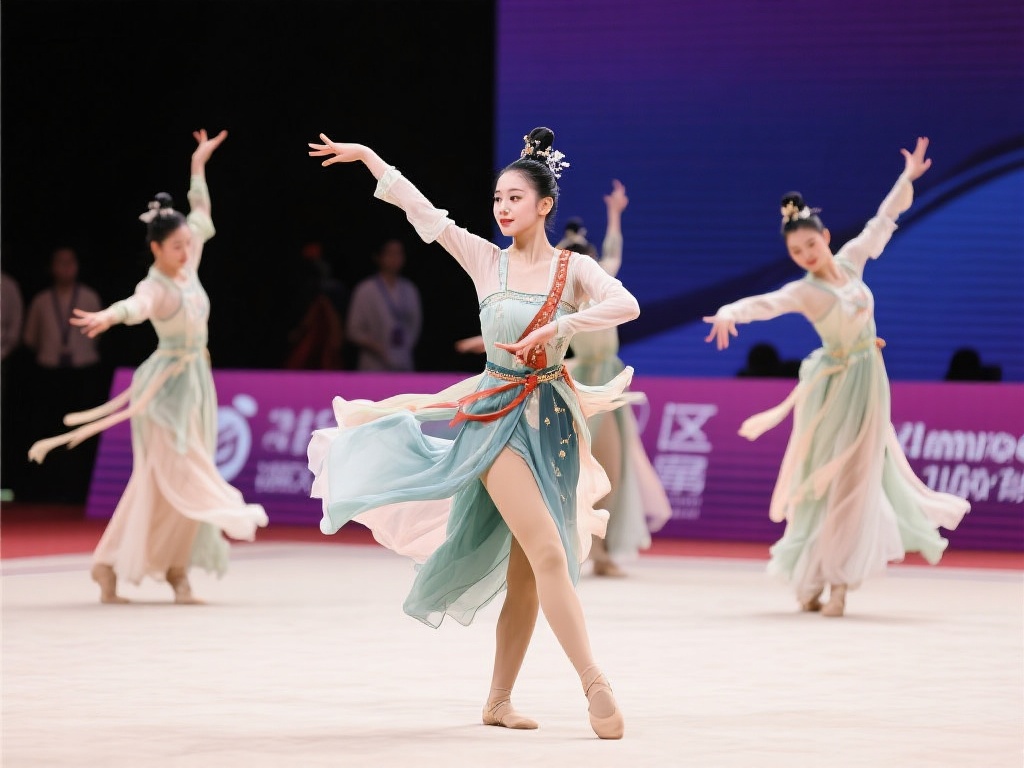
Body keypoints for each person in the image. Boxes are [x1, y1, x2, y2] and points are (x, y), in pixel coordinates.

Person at [306, 127, 640, 739]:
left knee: (527, 573)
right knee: (549, 552)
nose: (502, 208)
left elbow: (627, 306)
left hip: (554, 422)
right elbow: (425, 215)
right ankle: (595, 683)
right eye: (497, 198)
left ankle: (498, 700)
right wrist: (371, 158)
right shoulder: (487, 259)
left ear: (544, 205)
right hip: (494, 420)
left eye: (515, 198)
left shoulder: (574, 269)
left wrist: (559, 328)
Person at [703, 137, 970, 617]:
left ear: (825, 238)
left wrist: (906, 178)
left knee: (857, 480)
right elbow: (766, 303)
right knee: (822, 478)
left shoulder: (850, 261)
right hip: (834, 389)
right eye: (796, 250)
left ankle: (841, 583)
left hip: (869, 382)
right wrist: (729, 311)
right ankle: (811, 576)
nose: (806, 253)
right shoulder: (804, 291)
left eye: (810, 244)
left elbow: (881, 222)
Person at [27, 129, 268, 604]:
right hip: (163, 389)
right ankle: (167, 561)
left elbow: (201, 214)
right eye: (177, 246)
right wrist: (109, 315)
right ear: (156, 248)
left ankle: (154, 570)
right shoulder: (157, 285)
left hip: (196, 386)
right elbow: (135, 306)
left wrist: (197, 166)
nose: (186, 250)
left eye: (187, 244)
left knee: (166, 482)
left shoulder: (188, 266)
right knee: (177, 475)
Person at [553, 180, 671, 576]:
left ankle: (601, 551)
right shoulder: (563, 304)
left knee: (614, 470)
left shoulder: (604, 291)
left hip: (611, 379)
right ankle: (580, 549)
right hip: (584, 381)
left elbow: (614, 253)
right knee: (584, 469)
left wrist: (615, 214)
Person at [22, 246, 105, 501]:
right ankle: (46, 489)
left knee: (83, 429)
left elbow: (100, 336)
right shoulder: (41, 301)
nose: (66, 268)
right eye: (60, 262)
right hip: (49, 372)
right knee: (50, 427)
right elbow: (30, 338)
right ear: (51, 267)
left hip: (83, 371)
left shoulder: (89, 297)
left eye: (71, 262)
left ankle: (79, 489)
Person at [346, 237, 421, 371]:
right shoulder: (365, 289)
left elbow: (415, 325)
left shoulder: (409, 289)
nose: (395, 258)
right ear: (378, 257)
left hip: (403, 363)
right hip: (373, 365)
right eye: (390, 253)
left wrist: (403, 348)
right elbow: (353, 330)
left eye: (399, 253)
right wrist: (378, 348)